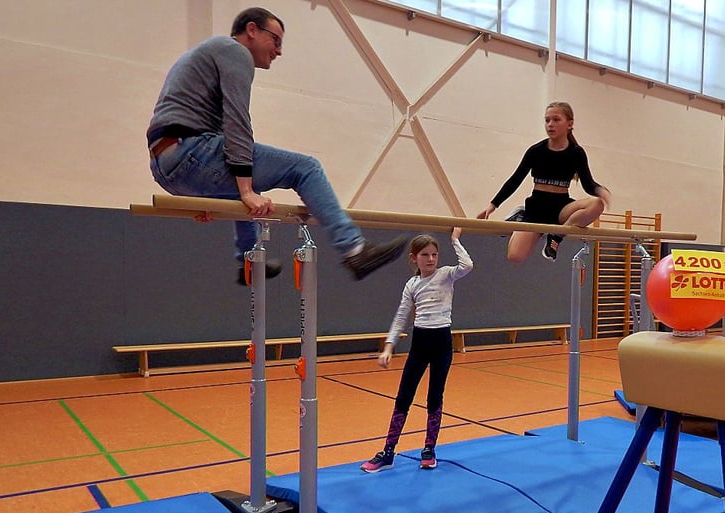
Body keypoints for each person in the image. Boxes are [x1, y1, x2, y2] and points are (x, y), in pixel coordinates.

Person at [146, 7, 406, 284]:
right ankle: (354, 249)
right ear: (252, 30)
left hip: (168, 164)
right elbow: (238, 121)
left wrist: (208, 198)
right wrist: (245, 190)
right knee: (305, 167)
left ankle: (248, 261)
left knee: (241, 176)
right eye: (276, 41)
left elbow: (218, 133)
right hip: (191, 152)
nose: (279, 51)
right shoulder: (234, 51)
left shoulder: (207, 56)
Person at [361, 227, 473, 472]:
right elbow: (401, 315)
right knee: (404, 397)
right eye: (425, 255)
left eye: (434, 254)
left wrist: (455, 240)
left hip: (442, 342)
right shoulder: (412, 284)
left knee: (435, 397)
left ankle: (429, 449)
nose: (431, 259)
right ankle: (388, 451)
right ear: (414, 258)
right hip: (420, 343)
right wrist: (389, 346)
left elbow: (467, 265)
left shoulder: (446, 275)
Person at [476, 102, 612, 263]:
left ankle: (556, 237)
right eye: (547, 120)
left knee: (597, 204)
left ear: (570, 124)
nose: (550, 125)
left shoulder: (576, 153)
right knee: (515, 257)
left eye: (556, 120)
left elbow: (588, 184)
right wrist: (492, 205)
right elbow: (515, 179)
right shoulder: (536, 151)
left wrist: (600, 191)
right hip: (536, 209)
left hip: (562, 208)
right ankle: (520, 216)